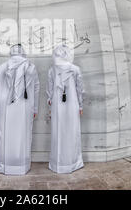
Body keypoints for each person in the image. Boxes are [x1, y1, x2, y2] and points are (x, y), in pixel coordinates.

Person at [0, 44, 40, 175]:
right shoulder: (30, 67)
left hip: (3, 105)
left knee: (3, 134)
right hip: (24, 105)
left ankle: (3, 164)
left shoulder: (1, 67)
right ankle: (21, 165)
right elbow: (36, 88)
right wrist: (35, 108)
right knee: (22, 133)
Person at [47, 44, 84, 173]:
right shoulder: (75, 69)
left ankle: (58, 163)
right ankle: (73, 162)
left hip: (57, 105)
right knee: (72, 132)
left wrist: (50, 107)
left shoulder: (52, 70)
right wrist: (80, 105)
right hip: (72, 104)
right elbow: (80, 90)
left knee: (58, 131)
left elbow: (49, 92)